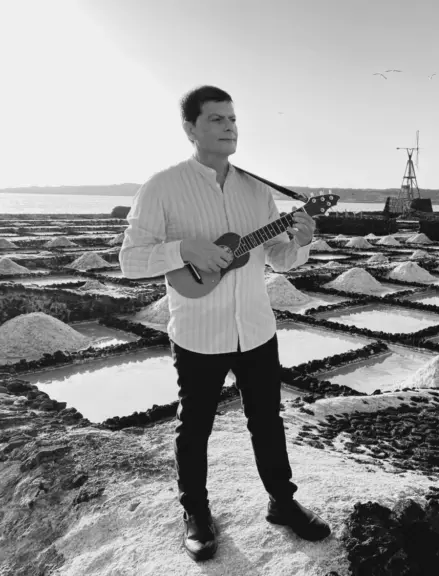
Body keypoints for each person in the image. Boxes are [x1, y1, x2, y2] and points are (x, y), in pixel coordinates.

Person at [119, 85, 330, 562]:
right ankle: (196, 513)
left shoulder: (257, 191)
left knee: (267, 421)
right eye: (216, 119)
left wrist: (301, 240)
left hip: (256, 328)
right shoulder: (162, 187)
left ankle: (282, 501)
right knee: (194, 427)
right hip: (198, 331)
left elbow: (279, 259)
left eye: (233, 119)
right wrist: (184, 249)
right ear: (190, 128)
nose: (229, 127)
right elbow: (130, 261)